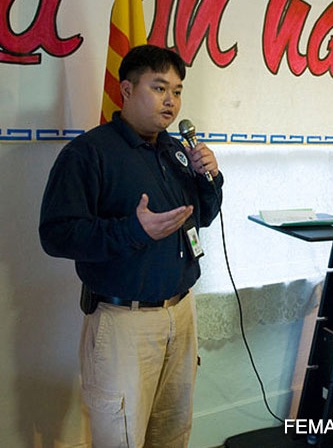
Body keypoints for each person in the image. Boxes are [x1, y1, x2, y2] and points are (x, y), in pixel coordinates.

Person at [39, 44, 223, 448]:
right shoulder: (88, 154)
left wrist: (211, 177)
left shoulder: (175, 150)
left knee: (173, 431)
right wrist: (134, 230)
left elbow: (203, 218)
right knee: (121, 437)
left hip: (181, 312)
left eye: (176, 91)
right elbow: (55, 235)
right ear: (125, 90)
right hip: (125, 321)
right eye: (159, 88)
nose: (170, 101)